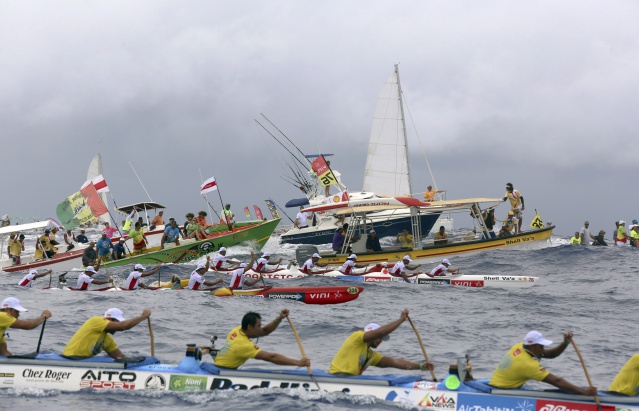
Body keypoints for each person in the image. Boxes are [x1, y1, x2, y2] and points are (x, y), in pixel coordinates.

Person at [488, 330, 597, 396]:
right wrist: (584, 392)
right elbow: (556, 381)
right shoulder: (528, 364)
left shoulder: (519, 346)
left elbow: (550, 354)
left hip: (501, 384)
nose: (543, 349)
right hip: (502, 391)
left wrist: (565, 343)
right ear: (532, 347)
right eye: (541, 347)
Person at [329, 309, 434, 375]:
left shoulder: (371, 355)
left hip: (351, 380)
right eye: (380, 338)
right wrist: (401, 320)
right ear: (372, 334)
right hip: (337, 376)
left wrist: (420, 366)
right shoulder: (356, 337)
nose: (381, 341)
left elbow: (394, 362)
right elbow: (380, 332)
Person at [212, 309, 310, 369]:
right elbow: (272, 357)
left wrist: (279, 318)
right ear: (250, 327)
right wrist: (298, 363)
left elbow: (264, 331)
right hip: (223, 370)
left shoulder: (238, 329)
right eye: (258, 326)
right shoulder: (244, 345)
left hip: (219, 364)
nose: (260, 328)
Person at [62, 308, 151, 359]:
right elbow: (124, 326)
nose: (117, 326)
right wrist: (143, 317)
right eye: (118, 322)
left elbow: (120, 358)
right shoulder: (95, 321)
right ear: (110, 319)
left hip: (83, 362)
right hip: (70, 359)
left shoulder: (108, 340)